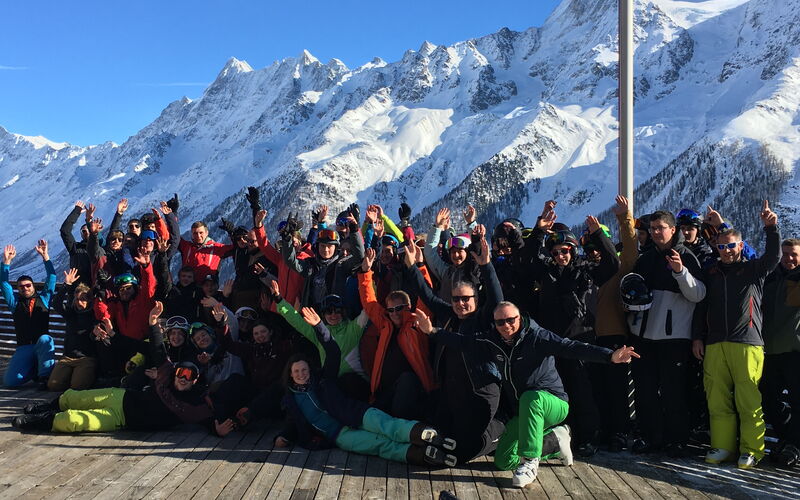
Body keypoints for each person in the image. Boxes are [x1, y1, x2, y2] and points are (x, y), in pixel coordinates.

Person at [414, 301, 639, 487]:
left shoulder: (537, 337)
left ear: (520, 318)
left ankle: (530, 461)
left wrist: (610, 356)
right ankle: (555, 440)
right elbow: (463, 342)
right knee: (503, 460)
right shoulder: (492, 340)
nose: (506, 325)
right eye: (500, 322)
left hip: (553, 403)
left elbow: (571, 347)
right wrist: (431, 331)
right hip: (525, 410)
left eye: (511, 320)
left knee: (532, 398)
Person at [11, 302, 232, 435]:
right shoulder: (167, 370)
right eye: (181, 373)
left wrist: (217, 430)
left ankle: (41, 422)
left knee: (74, 421)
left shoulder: (191, 405)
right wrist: (152, 323)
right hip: (121, 396)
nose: (183, 378)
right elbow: (155, 349)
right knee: (76, 398)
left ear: (195, 380)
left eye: (189, 376)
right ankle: (46, 407)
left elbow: (206, 418)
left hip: (121, 418)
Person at [275, 306, 457, 466]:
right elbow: (293, 421)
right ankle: (423, 455)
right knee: (379, 445)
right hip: (341, 435)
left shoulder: (323, 380)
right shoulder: (292, 399)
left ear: (310, 370)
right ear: (290, 374)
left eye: (304, 370)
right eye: (296, 371)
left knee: (387, 425)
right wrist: (282, 436)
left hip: (355, 413)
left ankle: (425, 434)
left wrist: (319, 326)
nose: (301, 374)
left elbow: (333, 351)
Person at [694, 201, 781, 469]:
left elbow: (774, 257)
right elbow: (701, 306)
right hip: (715, 342)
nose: (727, 251)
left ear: (740, 246)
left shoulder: (754, 269)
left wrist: (771, 228)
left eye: (731, 246)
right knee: (717, 398)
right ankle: (723, 447)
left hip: (747, 342)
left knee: (748, 399)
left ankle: (752, 449)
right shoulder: (711, 272)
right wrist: (698, 337)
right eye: (722, 247)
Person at [628, 210, 706, 456]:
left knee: (674, 392)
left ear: (673, 230)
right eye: (652, 228)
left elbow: (699, 295)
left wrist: (680, 272)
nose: (655, 232)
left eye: (660, 228)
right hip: (644, 336)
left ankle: (676, 440)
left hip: (674, 338)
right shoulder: (646, 259)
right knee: (645, 390)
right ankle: (650, 437)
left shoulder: (686, 256)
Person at [357, 247, 436, 419]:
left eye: (399, 308)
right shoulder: (385, 324)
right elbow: (369, 302)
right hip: (385, 391)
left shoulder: (417, 323)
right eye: (391, 309)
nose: (394, 313)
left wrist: (420, 266)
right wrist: (365, 272)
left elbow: (426, 295)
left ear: (408, 307)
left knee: (406, 381)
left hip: (412, 392)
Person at [271, 280, 370, 401]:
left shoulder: (354, 328)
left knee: (348, 382)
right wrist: (279, 301)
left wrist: (367, 276)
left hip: (355, 385)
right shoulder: (319, 333)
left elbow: (369, 307)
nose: (333, 315)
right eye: (328, 311)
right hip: (332, 387)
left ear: (343, 312)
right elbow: (296, 320)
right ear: (323, 314)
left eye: (337, 311)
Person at [760, 237, 800, 466]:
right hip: (770, 351)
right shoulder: (770, 277)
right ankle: (787, 438)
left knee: (798, 400)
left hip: (795, 351)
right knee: (767, 397)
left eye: (794, 254)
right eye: (785, 254)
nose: (789, 258)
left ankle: (793, 444)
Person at [1, 241, 57, 387]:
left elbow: (51, 277)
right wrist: (6, 262)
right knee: (10, 382)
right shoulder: (14, 303)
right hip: (24, 347)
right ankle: (35, 370)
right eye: (21, 286)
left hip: (41, 345)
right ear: (18, 289)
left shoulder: (44, 299)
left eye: (28, 285)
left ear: (33, 286)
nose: (25, 288)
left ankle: (44, 377)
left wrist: (45, 256)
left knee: (46, 339)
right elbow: (4, 284)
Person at [48, 268, 97, 391]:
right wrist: (66, 285)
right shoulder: (71, 313)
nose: (79, 302)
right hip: (68, 357)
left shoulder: (95, 315)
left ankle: (78, 377)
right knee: (53, 385)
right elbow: (56, 304)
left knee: (78, 386)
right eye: (77, 299)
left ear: (89, 300)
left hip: (86, 358)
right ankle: (69, 377)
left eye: (83, 299)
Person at [59, 201, 92, 286]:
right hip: (78, 287)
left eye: (89, 229)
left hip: (96, 288)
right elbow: (65, 230)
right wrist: (76, 212)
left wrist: (89, 221)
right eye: (84, 231)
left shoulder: (101, 247)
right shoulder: (75, 248)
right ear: (81, 234)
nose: (87, 232)